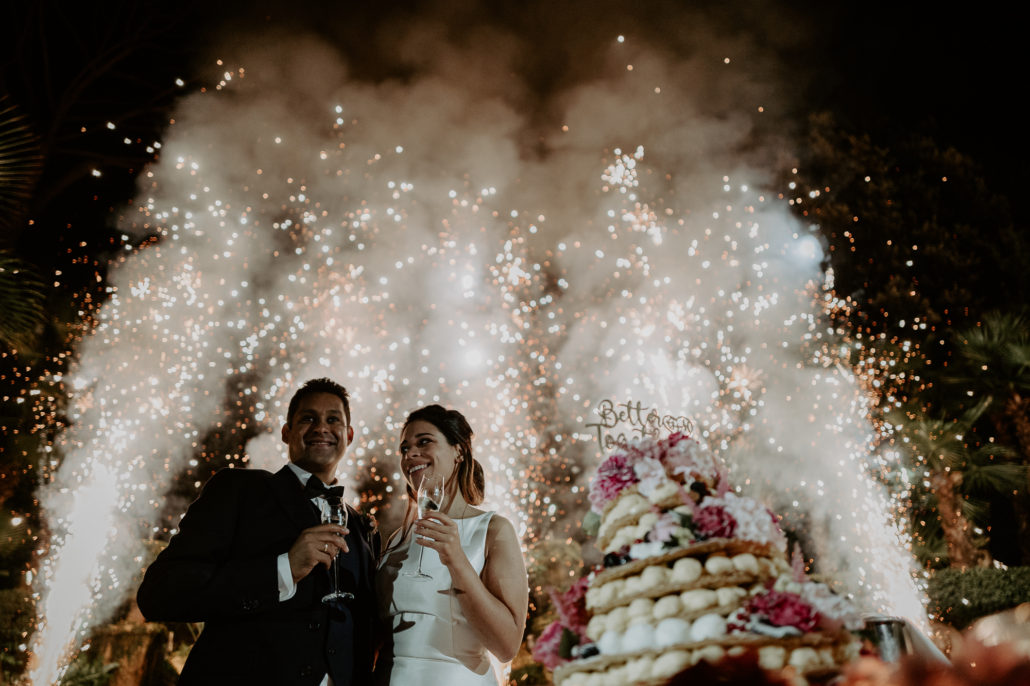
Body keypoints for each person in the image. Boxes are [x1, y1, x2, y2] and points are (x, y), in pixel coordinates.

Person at [137, 378, 378, 685]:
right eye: (308, 418)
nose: (321, 427)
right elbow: (160, 594)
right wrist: (282, 569)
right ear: (286, 432)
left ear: (349, 435)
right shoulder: (238, 490)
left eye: (333, 420)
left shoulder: (361, 527)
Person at [374, 404, 528, 685]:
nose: (410, 454)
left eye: (424, 442)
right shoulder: (396, 539)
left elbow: (507, 647)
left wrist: (456, 559)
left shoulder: (493, 530)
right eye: (405, 449)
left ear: (458, 450)